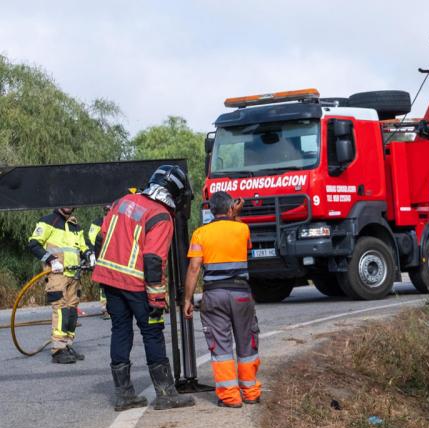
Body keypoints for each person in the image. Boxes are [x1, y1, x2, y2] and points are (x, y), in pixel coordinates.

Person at [92, 165, 195, 411]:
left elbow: (100, 239)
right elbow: (153, 260)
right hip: (137, 284)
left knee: (120, 330)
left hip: (110, 280)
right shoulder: (160, 215)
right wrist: (157, 301)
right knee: (152, 333)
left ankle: (124, 395)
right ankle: (165, 394)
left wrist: (105, 272)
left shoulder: (123, 202)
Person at [182, 191, 261, 408]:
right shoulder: (242, 228)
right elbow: (245, 246)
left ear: (210, 210)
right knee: (247, 342)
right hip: (241, 295)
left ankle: (230, 397)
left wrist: (187, 299)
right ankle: (251, 392)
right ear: (230, 209)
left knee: (221, 347)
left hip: (214, 295)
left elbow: (194, 268)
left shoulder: (200, 234)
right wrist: (235, 215)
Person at [27, 206, 94, 363]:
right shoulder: (48, 221)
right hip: (57, 275)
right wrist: (51, 260)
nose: (68, 205)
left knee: (72, 312)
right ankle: (58, 350)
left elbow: (83, 246)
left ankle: (67, 345)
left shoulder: (76, 226)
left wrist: (90, 254)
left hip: (74, 275)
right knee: (61, 310)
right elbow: (34, 244)